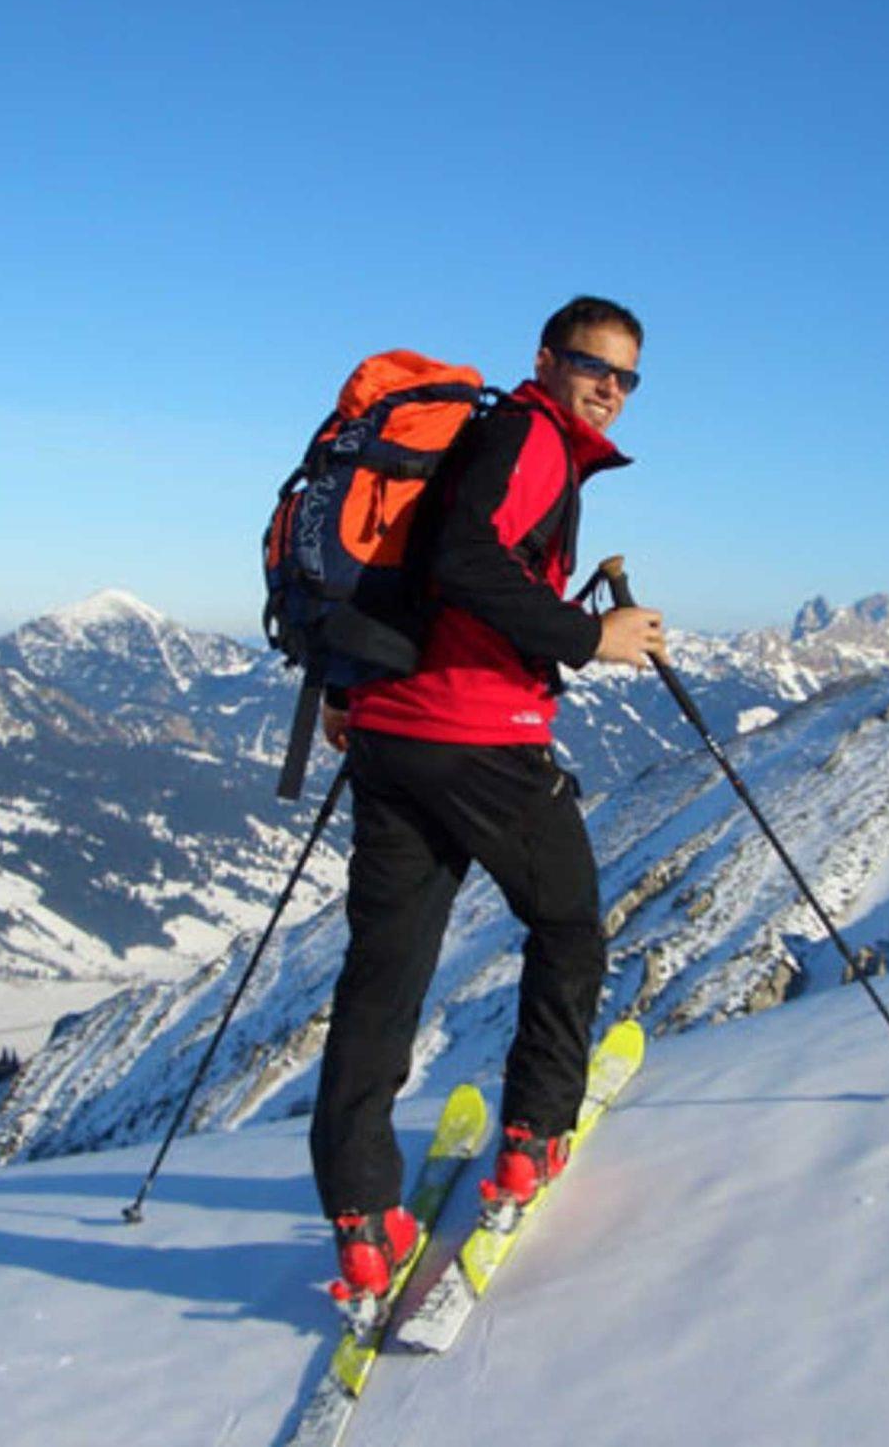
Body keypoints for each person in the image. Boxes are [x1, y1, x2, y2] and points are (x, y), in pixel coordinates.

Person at [310, 294, 666, 1305]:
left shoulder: (481, 437)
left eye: (626, 376)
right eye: (593, 365)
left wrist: (344, 690)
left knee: (383, 972)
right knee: (567, 924)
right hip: (476, 737)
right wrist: (588, 636)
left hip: (389, 730)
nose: (609, 388)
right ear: (546, 360)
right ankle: (532, 1137)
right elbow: (466, 560)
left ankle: (362, 1221)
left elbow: (420, 575)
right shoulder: (531, 438)